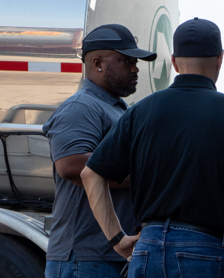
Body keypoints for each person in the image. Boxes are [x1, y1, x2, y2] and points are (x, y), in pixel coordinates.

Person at [78, 18, 224, 278]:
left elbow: (91, 174)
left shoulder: (141, 111)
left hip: (147, 245)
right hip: (203, 249)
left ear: (174, 62)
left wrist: (117, 239)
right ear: (219, 60)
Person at [41, 24, 156, 278]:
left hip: (107, 256)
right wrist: (147, 174)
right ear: (97, 63)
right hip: (84, 258)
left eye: (135, 61)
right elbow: (71, 165)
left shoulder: (116, 108)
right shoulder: (82, 106)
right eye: (126, 60)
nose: (135, 68)